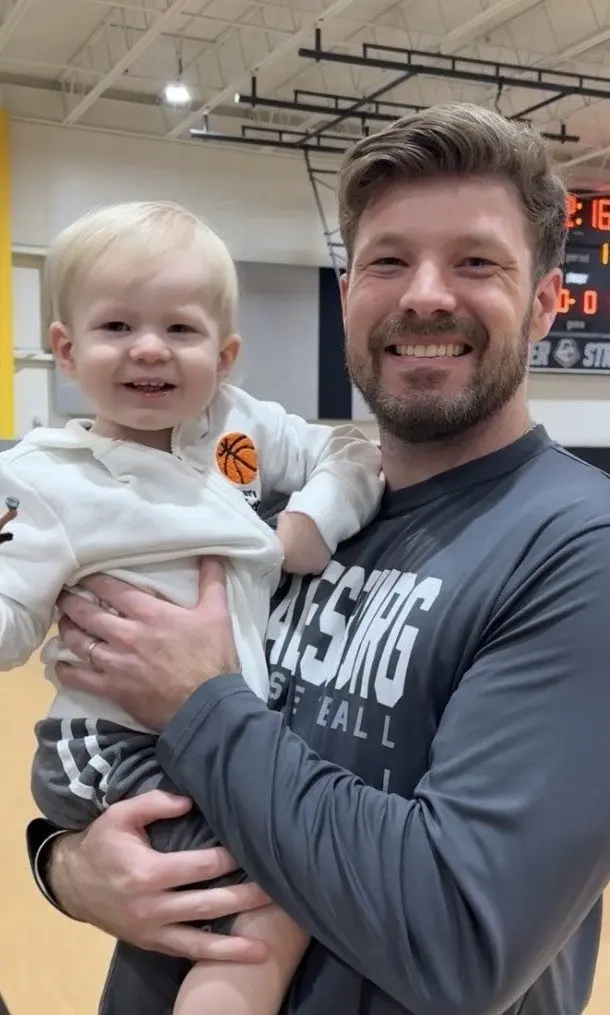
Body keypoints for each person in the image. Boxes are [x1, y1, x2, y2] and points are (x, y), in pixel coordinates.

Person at [26, 102, 610, 1015]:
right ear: (349, 294)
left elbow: (457, 938)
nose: (424, 293)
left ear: (543, 300)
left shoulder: (577, 551)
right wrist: (65, 867)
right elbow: (137, 794)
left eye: (476, 261)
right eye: (387, 259)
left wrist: (195, 700)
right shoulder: (254, 502)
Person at [0, 200, 383, 1014]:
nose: (148, 347)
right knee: (264, 892)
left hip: (220, 728)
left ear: (226, 354)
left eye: (180, 329)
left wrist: (312, 520)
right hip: (111, 741)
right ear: (66, 350)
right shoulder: (46, 477)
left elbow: (353, 449)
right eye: (115, 326)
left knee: (276, 884)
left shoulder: (237, 426)